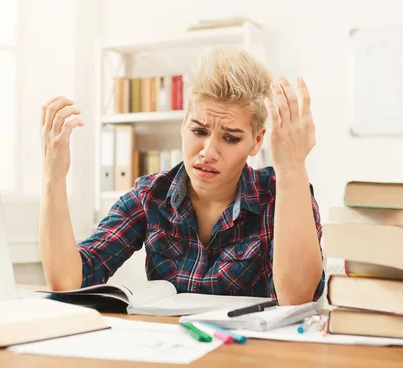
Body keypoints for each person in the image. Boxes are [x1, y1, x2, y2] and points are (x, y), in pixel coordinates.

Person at [39, 45, 325, 305]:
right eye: (198, 131)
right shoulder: (151, 195)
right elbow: (68, 281)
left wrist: (292, 168)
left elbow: (297, 298)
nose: (208, 151)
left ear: (257, 141)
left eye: (231, 139)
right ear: (184, 122)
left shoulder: (279, 194)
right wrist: (54, 176)